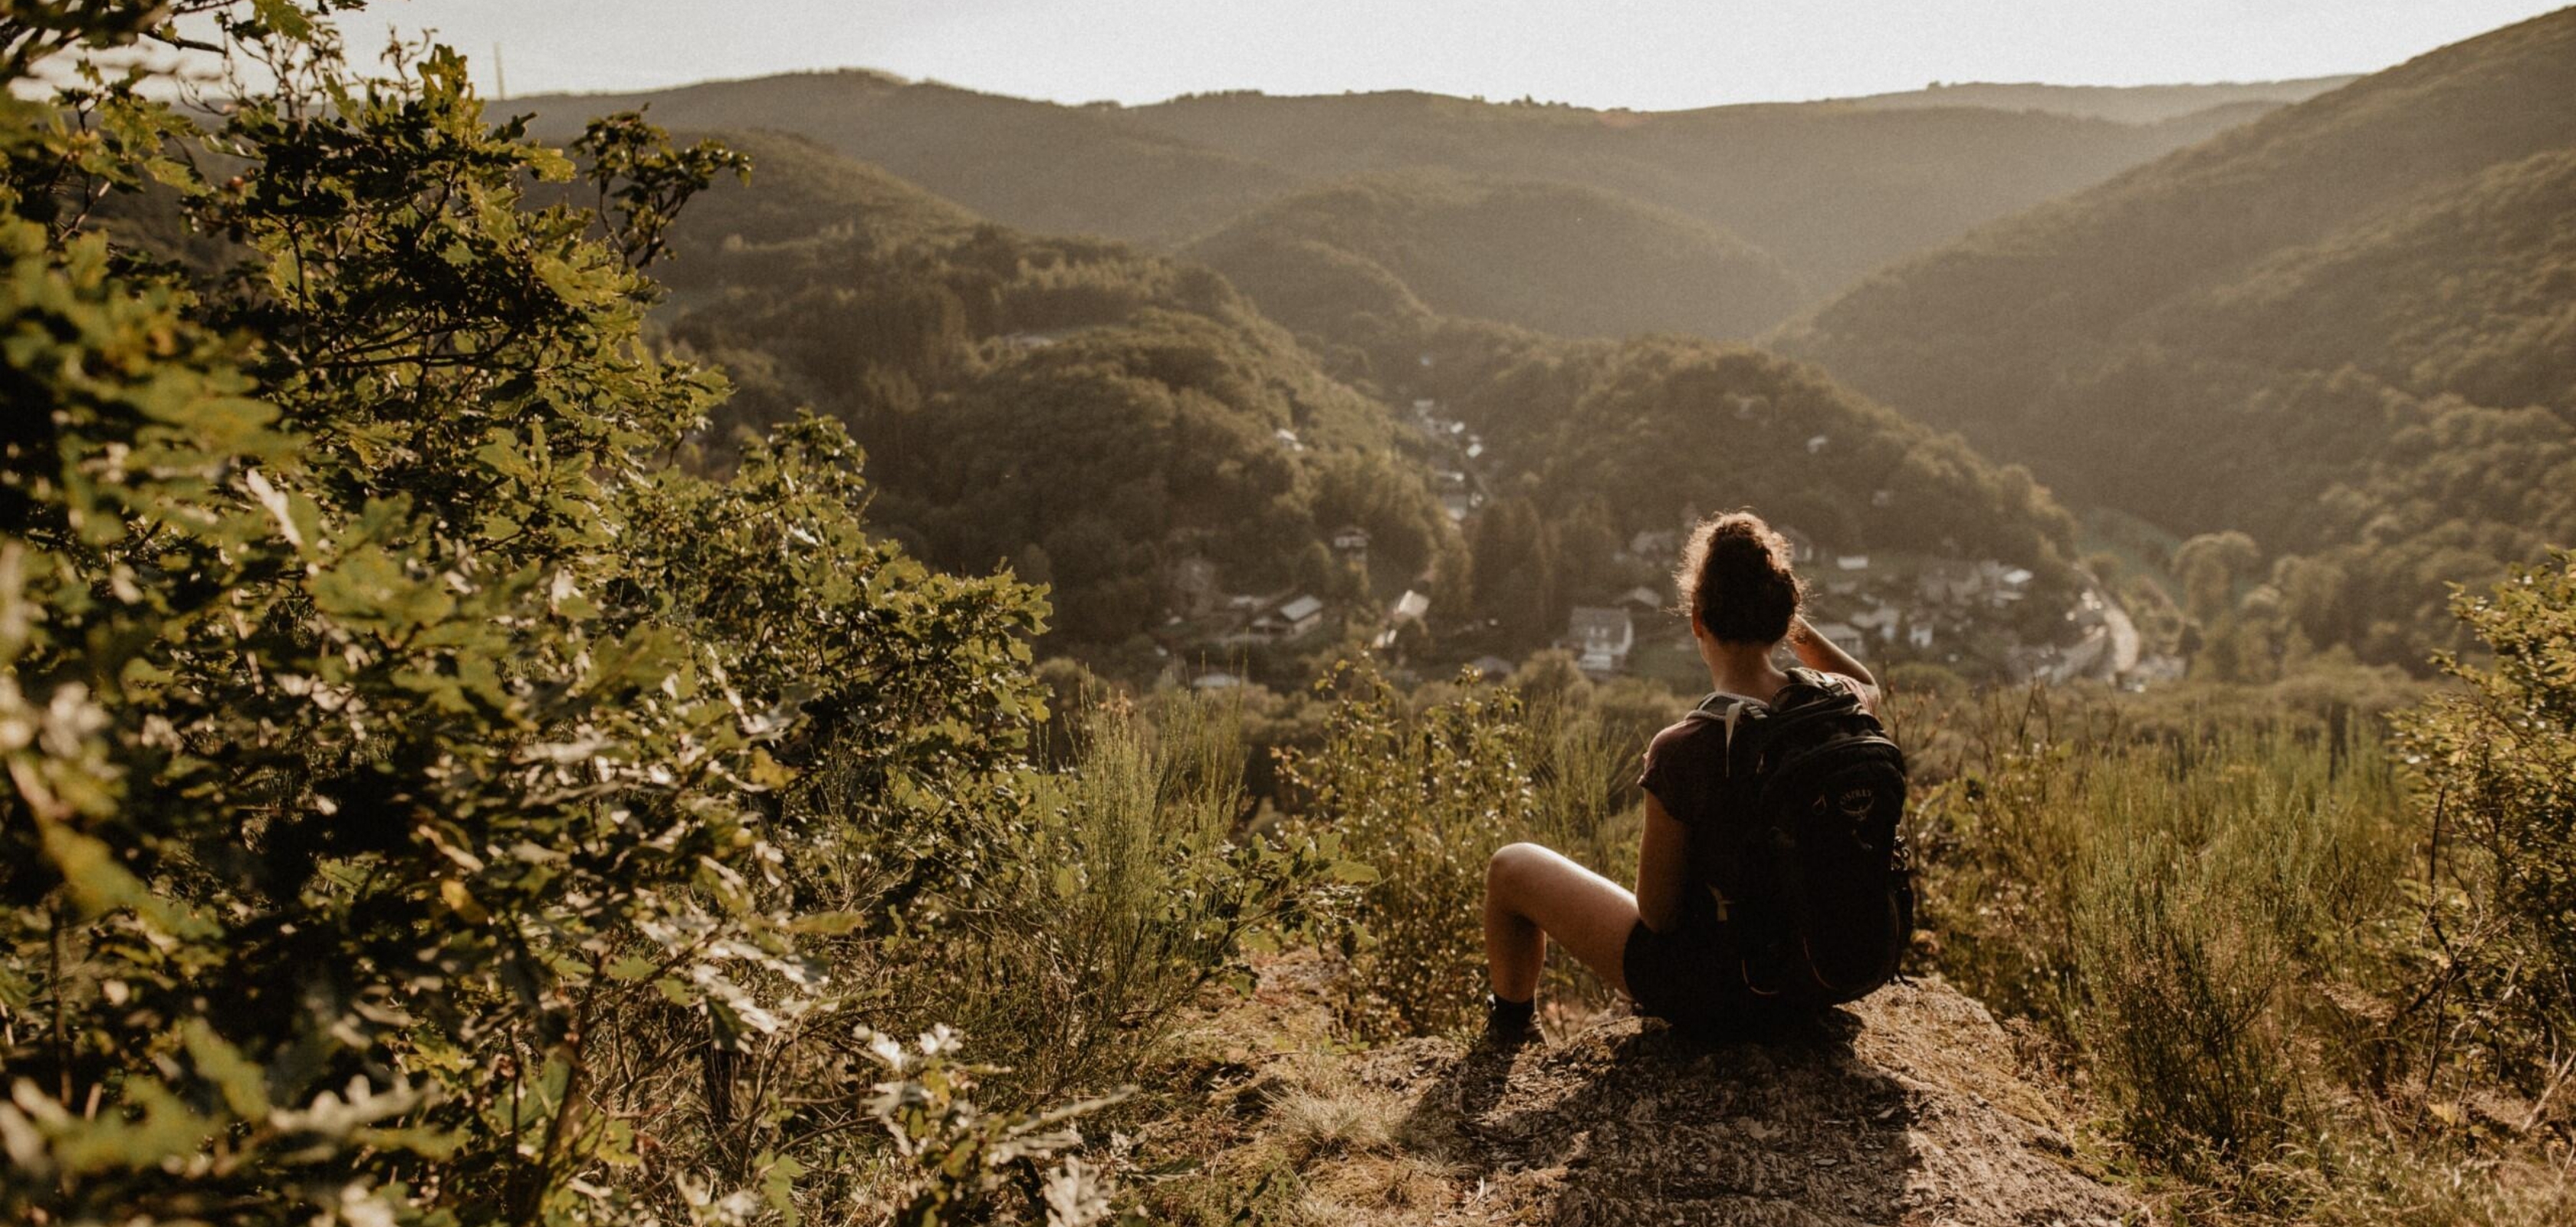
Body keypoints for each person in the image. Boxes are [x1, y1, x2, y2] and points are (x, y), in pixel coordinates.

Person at [1479, 510, 1884, 1042]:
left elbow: (1659, 916)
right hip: (1829, 971)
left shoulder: (1683, 749)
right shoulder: (1841, 709)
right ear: (1782, 617)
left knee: (1511, 868)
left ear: (1697, 620)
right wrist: (1788, 624)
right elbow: (1864, 681)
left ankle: (1510, 1032)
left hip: (1718, 993)